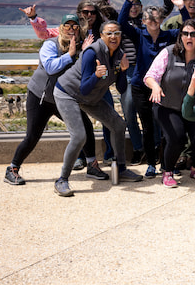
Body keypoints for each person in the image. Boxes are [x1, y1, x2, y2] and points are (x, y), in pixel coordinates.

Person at [53, 21, 143, 196]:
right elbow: (84, 88)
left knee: (118, 125)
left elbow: (122, 88)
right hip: (68, 93)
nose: (113, 37)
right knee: (79, 136)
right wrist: (96, 75)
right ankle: (62, 180)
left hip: (92, 97)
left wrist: (123, 70)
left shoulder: (120, 55)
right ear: (101, 35)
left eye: (117, 33)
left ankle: (121, 169)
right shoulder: (91, 53)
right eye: (109, 33)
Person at [4, 14, 88, 185]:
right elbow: (50, 67)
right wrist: (70, 54)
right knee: (32, 136)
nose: (71, 30)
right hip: (40, 97)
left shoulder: (81, 47)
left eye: (75, 27)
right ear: (61, 27)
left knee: (84, 125)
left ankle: (92, 164)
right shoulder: (50, 44)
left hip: (62, 98)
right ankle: (12, 169)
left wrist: (83, 53)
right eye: (67, 26)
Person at [119, 0, 191, 179]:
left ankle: (167, 164)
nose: (152, 20)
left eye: (156, 17)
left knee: (166, 127)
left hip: (163, 88)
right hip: (141, 87)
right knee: (148, 127)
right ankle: (151, 163)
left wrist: (181, 7)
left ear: (161, 19)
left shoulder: (169, 36)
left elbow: (189, 27)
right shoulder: (138, 35)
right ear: (143, 20)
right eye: (149, 17)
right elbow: (121, 22)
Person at [144, 20, 195, 188]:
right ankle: (167, 171)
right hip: (167, 106)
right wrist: (155, 86)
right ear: (180, 36)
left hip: (191, 107)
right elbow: (150, 76)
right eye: (185, 33)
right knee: (176, 137)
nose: (189, 37)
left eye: (193, 34)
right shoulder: (168, 53)